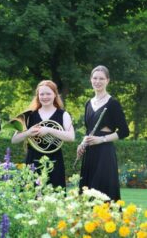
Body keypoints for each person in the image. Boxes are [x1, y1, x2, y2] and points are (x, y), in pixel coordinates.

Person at [77, 65, 129, 201]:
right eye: (95, 78)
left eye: (101, 78)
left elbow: (124, 131)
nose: (97, 81)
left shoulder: (113, 104)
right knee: (87, 193)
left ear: (107, 81)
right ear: (90, 80)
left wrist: (102, 139)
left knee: (102, 191)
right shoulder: (88, 103)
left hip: (104, 153)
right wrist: (82, 143)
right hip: (89, 153)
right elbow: (88, 129)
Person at [11, 80, 75, 188]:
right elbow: (14, 140)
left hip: (55, 161)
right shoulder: (29, 115)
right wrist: (28, 132)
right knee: (31, 196)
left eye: (48, 93)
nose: (45, 97)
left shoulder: (63, 114)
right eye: (42, 94)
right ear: (38, 96)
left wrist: (49, 130)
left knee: (54, 197)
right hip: (32, 161)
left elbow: (71, 137)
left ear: (55, 94)